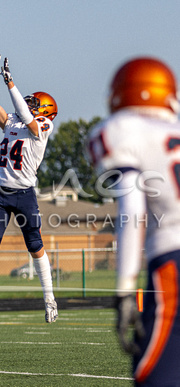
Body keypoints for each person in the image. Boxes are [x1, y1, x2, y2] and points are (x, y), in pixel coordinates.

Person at [86, 56, 180, 386]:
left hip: (174, 258)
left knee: (154, 374)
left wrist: (125, 290)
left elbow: (133, 210)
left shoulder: (125, 130)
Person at [0, 52, 58, 323]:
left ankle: (50, 300)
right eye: (28, 101)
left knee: (35, 246)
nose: (28, 105)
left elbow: (24, 114)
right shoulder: (13, 123)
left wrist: (11, 83)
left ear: (43, 110)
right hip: (0, 192)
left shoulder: (43, 124)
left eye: (33, 103)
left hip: (24, 194)